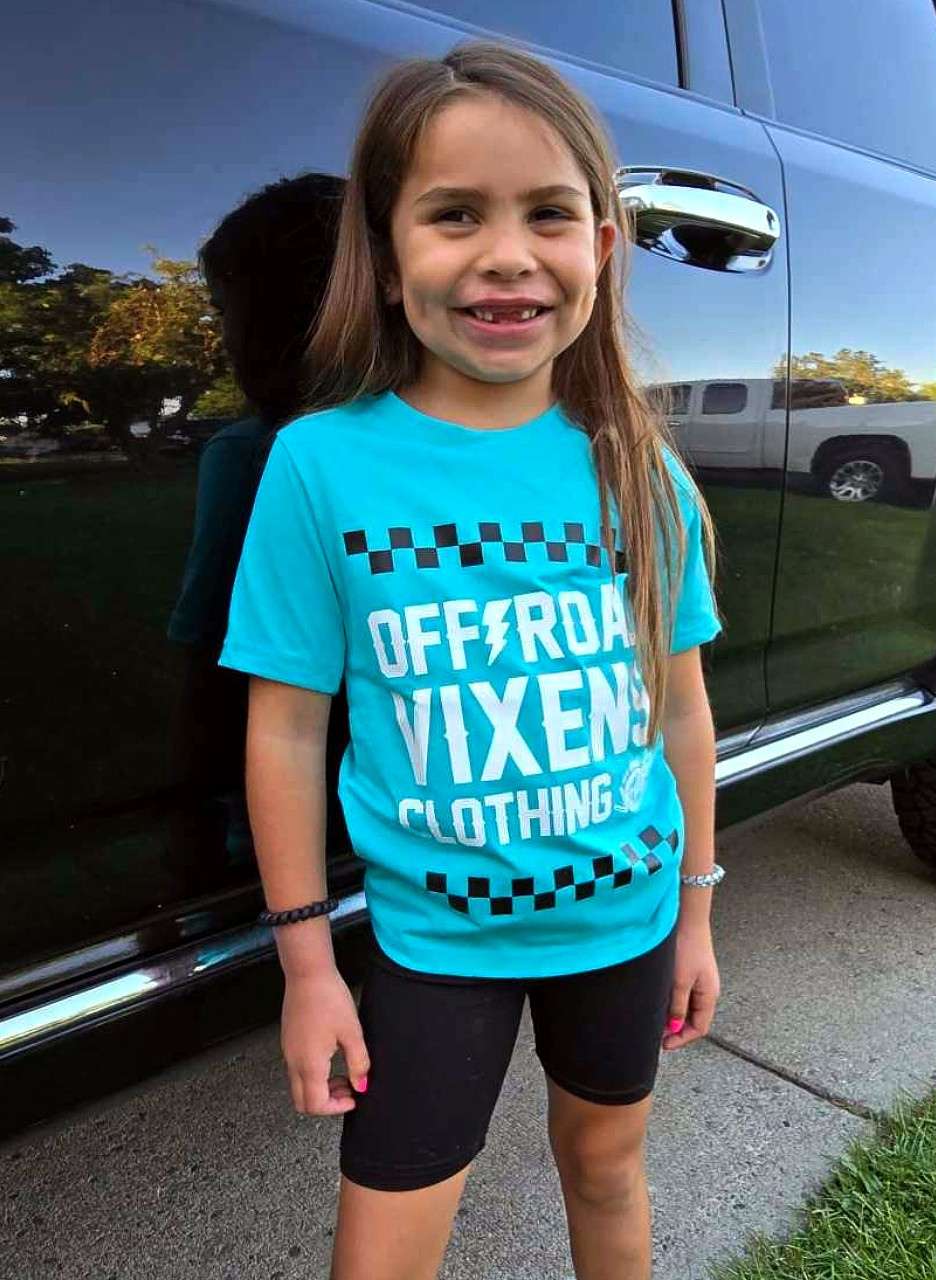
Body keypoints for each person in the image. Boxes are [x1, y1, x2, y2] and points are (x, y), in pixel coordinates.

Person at [218, 37, 727, 1280]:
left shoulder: (637, 466)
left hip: (626, 922)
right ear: (388, 261)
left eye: (547, 214)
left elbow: (679, 711)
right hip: (431, 947)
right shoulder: (320, 465)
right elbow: (286, 725)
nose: (506, 253)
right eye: (455, 215)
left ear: (599, 247)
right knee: (385, 1239)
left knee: (605, 1166)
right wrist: (306, 966)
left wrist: (697, 911)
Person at [165, 173, 349, 888]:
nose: (222, 338)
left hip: (296, 816)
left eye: (224, 310)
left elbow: (207, 663)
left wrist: (191, 822)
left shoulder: (251, 455)